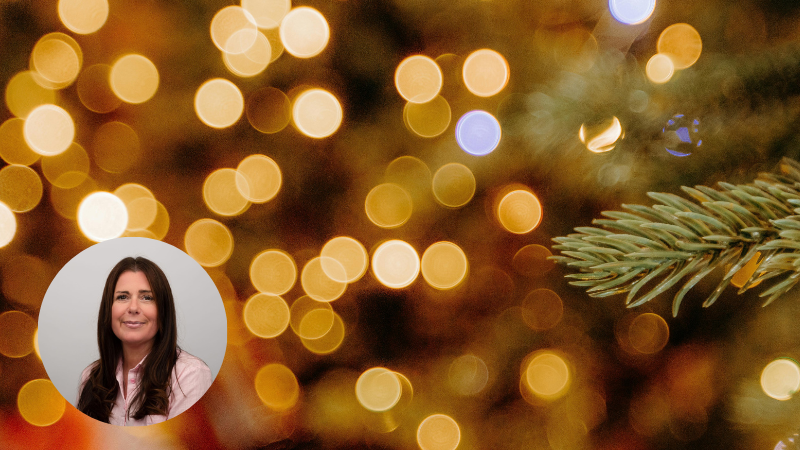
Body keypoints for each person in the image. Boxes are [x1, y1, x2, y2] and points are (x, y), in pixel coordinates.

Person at [77, 256, 213, 426]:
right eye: (122, 297)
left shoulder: (190, 375)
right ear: (108, 309)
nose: (133, 308)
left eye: (147, 297)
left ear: (163, 310)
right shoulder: (90, 377)